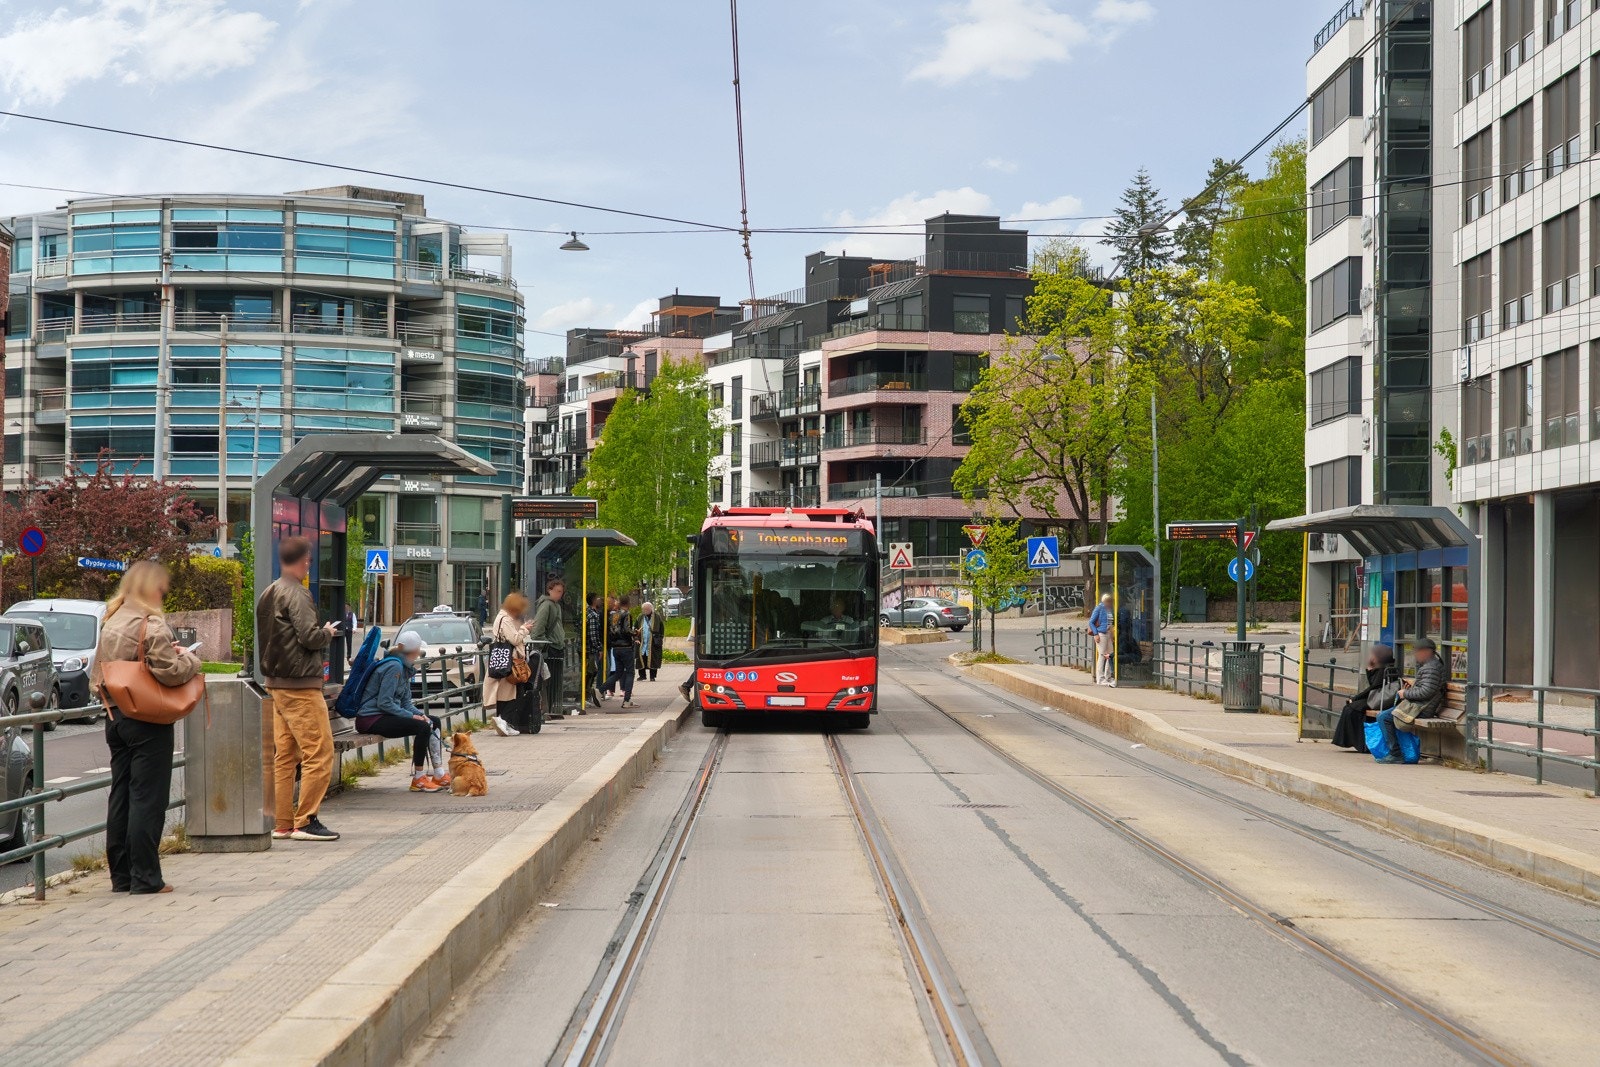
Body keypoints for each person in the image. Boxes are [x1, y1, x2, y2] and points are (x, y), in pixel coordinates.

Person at [90, 560, 200, 895]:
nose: (163, 593)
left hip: (115, 716)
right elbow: (170, 672)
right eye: (161, 587)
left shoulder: (112, 619)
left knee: (121, 795)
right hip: (147, 719)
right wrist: (190, 658)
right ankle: (146, 877)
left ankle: (121, 876)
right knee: (147, 799)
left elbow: (98, 675)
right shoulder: (150, 623)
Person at [258, 535, 342, 842]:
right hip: (300, 685)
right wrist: (327, 632)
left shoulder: (269, 592)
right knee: (320, 751)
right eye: (309, 560)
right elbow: (309, 637)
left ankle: (282, 823)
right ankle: (305, 821)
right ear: (304, 560)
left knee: (285, 756)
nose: (310, 565)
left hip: (276, 684)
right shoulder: (298, 593)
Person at [353, 631, 450, 791]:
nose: (419, 653)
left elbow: (405, 702)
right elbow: (384, 702)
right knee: (422, 727)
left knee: (433, 721)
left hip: (383, 715)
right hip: (370, 718)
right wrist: (412, 717)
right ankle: (418, 778)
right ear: (412, 651)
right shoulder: (394, 667)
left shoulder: (404, 668)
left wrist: (420, 715)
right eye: (418, 650)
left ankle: (439, 774)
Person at [1377, 638, 1447, 764]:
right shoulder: (1431, 666)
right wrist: (1410, 690)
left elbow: (1426, 692)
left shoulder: (1431, 668)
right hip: (1419, 706)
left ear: (1426, 652)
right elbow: (1426, 689)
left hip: (1422, 709)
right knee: (1384, 716)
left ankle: (1396, 753)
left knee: (1384, 717)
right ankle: (1397, 752)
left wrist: (1405, 693)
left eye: (1417, 651)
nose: (1415, 654)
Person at [1332, 645, 1399, 753]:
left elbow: (1373, 688)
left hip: (1379, 700)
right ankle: (1351, 741)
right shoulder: (1382, 667)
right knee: (1350, 708)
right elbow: (1373, 685)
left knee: (1352, 709)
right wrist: (1370, 669)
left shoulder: (1384, 669)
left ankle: (1360, 743)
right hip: (1376, 699)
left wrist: (1355, 698)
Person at [483, 591, 533, 735]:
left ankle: (504, 723)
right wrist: (525, 629)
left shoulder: (503, 617)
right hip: (510, 661)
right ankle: (503, 721)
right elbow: (514, 639)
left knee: (506, 693)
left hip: (503, 659)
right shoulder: (505, 619)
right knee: (512, 692)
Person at [529, 577, 567, 719]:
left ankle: (550, 709)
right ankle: (546, 709)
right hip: (550, 647)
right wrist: (543, 645)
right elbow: (538, 628)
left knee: (553, 681)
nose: (559, 594)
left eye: (561, 592)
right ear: (549, 590)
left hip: (555, 645)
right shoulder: (547, 605)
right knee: (548, 681)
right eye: (557, 591)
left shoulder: (555, 605)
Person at [606, 595, 638, 709]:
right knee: (630, 672)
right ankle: (627, 700)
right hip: (626, 647)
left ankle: (601, 689)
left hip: (616, 647)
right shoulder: (626, 614)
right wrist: (635, 633)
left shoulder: (614, 615)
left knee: (618, 673)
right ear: (628, 603)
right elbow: (626, 629)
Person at [1088, 594, 1114, 686]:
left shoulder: (1109, 610)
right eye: (1108, 601)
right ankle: (1100, 678)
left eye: (1110, 601)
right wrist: (1096, 634)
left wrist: (1111, 634)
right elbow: (1091, 622)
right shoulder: (1099, 608)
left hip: (1108, 633)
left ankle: (1108, 677)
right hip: (1101, 633)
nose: (1109, 603)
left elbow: (1110, 623)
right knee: (1102, 655)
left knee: (1110, 655)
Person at [585, 593, 606, 706]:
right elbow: (593, 634)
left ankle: (587, 692)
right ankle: (586, 693)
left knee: (591, 670)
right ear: (593, 601)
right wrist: (599, 647)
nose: (600, 600)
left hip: (587, 647)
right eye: (598, 599)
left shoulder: (588, 612)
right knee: (591, 671)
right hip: (590, 649)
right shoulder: (593, 615)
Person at [637, 601, 665, 681]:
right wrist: (636, 638)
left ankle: (652, 676)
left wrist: (660, 637)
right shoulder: (640, 617)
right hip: (642, 643)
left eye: (647, 609)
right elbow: (636, 627)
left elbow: (661, 628)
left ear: (651, 609)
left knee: (653, 659)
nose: (645, 611)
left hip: (653, 643)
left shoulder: (657, 617)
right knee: (641, 658)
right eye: (644, 609)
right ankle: (642, 676)